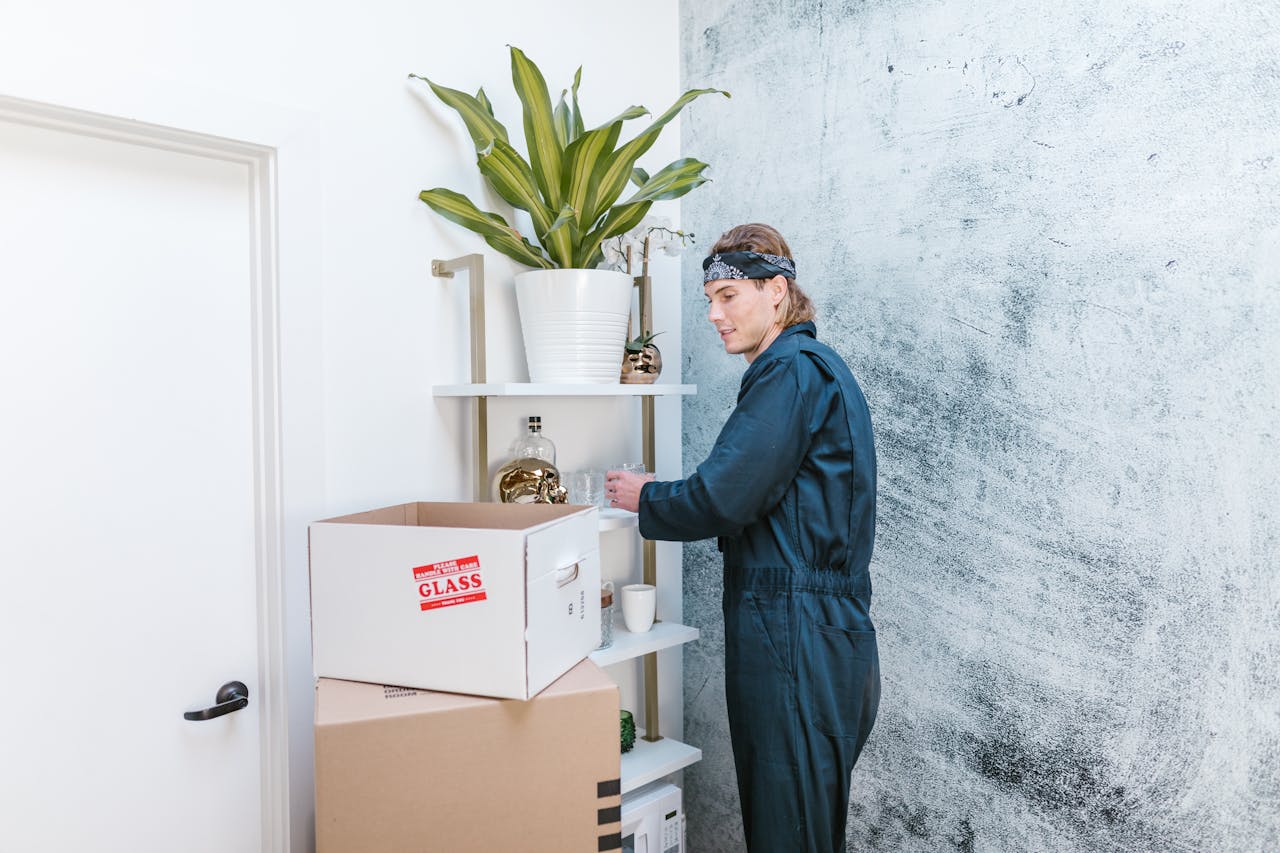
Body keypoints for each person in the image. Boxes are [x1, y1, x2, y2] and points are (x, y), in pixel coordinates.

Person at [606, 223, 880, 853]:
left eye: (729, 296)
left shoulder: (790, 372)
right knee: (803, 827)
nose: (714, 314)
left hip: (796, 633)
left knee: (790, 833)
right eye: (710, 299)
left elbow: (726, 495)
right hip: (815, 630)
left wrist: (646, 495)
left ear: (777, 292)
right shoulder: (814, 369)